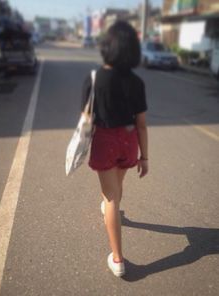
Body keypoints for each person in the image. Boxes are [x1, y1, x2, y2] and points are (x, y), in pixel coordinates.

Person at [81, 21, 149, 277]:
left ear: (107, 47)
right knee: (117, 185)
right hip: (129, 141)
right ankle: (114, 206)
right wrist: (145, 157)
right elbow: (141, 124)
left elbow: (86, 117)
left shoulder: (94, 78)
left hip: (105, 140)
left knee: (110, 198)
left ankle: (118, 260)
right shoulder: (137, 82)